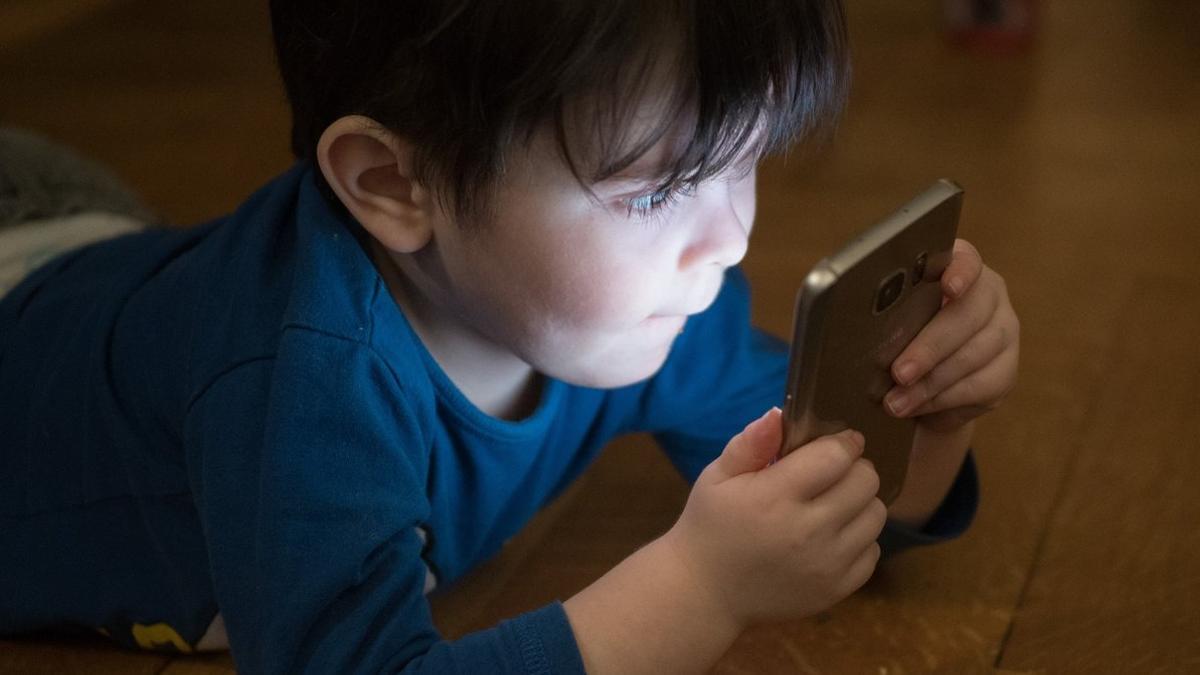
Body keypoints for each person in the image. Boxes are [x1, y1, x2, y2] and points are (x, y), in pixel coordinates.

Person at [0, 1, 1019, 672]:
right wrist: (699, 589)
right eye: (659, 189)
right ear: (397, 184)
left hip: (100, 260)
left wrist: (931, 414)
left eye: (742, 158)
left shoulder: (648, 301)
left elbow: (839, 504)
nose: (730, 236)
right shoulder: (300, 388)